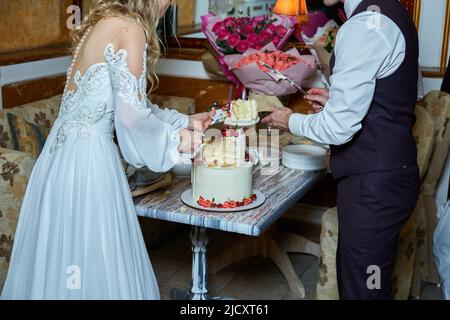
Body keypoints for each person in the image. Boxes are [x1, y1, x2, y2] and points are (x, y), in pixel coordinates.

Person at [1, 0, 213, 300]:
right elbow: (131, 117)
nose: (170, 4)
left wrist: (184, 120)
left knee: (62, 255)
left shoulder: (105, 20)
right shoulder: (132, 29)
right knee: (95, 254)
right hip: (90, 161)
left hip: (58, 159)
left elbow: (131, 103)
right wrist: (178, 140)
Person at [263, 0, 420, 299]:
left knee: (364, 291)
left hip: (374, 187)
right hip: (386, 178)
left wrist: (290, 120)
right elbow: (392, 99)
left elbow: (338, 129)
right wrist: (336, 101)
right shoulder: (391, 12)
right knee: (362, 284)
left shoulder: (364, 25)